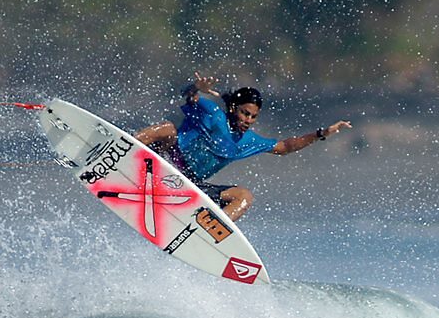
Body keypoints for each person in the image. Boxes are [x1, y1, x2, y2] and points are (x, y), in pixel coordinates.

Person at [134, 74, 352, 222]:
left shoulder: (248, 140)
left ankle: (207, 229)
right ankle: (124, 151)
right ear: (233, 108)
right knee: (167, 129)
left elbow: (285, 146)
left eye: (253, 116)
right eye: (244, 113)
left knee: (244, 196)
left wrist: (321, 133)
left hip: (189, 184)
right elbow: (189, 96)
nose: (248, 120)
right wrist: (196, 88)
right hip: (163, 161)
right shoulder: (212, 113)